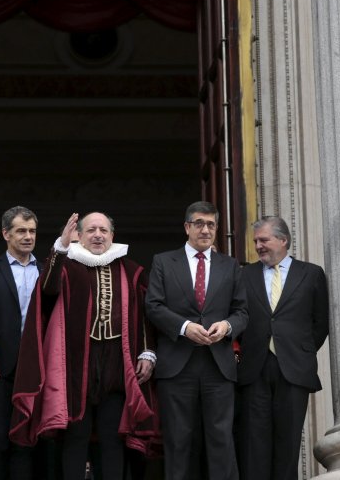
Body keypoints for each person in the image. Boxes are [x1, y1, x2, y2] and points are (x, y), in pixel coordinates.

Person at [11, 212, 159, 480]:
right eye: (91, 230)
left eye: (103, 230)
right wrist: (61, 248)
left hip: (116, 364)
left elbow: (143, 316)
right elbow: (47, 290)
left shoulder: (131, 270)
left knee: (113, 439)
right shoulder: (67, 266)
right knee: (75, 438)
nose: (98, 235)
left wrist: (147, 351)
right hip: (76, 366)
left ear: (112, 235)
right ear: (79, 235)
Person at [145, 201, 248, 480]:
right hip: (177, 366)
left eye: (211, 224)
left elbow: (242, 312)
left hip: (218, 366)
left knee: (221, 441)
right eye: (199, 223)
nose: (205, 229)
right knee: (178, 442)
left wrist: (227, 326)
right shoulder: (164, 262)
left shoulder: (230, 266)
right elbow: (153, 306)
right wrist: (184, 327)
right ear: (187, 227)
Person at [235, 217, 329, 480]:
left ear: (283, 240)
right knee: (254, 445)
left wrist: (301, 351)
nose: (259, 246)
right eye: (256, 241)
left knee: (288, 444)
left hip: (294, 370)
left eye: (263, 240)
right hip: (255, 369)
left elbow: (320, 322)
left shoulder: (311, 274)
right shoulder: (244, 275)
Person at [0, 206, 41, 480]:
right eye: (21, 231)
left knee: (27, 440)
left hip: (36, 368)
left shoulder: (46, 270)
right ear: (6, 234)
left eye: (32, 231)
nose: (28, 237)